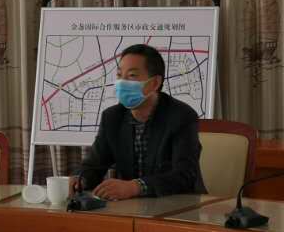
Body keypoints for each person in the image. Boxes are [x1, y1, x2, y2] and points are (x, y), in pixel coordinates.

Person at [75, 44, 205, 200]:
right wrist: (80, 180)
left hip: (180, 204)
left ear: (155, 83)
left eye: (131, 75)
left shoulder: (181, 116)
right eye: (119, 75)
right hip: (132, 207)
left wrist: (136, 187)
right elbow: (93, 166)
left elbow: (185, 175)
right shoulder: (112, 117)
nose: (122, 82)